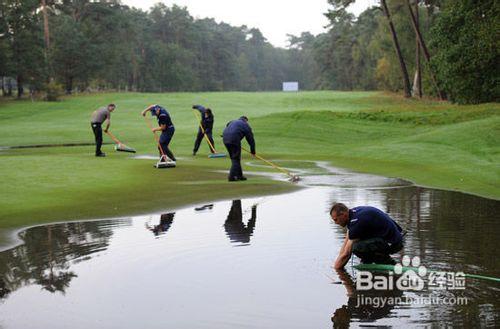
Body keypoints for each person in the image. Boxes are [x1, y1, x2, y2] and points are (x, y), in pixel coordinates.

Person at [330, 203, 404, 269]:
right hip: (391, 237)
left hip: (393, 243)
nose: (335, 223)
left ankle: (389, 263)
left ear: (343, 215)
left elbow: (346, 253)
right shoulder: (352, 213)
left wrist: (337, 269)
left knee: (356, 247)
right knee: (360, 242)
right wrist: (338, 259)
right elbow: (346, 242)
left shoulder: (356, 222)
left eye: (336, 220)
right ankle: (368, 261)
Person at [222, 116, 255, 181]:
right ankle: (231, 177)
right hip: (234, 139)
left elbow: (228, 126)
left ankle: (239, 176)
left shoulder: (233, 121)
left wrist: (227, 136)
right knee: (236, 159)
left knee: (235, 159)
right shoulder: (246, 125)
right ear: (246, 120)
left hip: (225, 139)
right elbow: (251, 139)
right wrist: (253, 151)